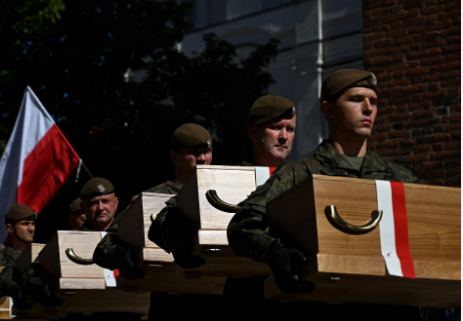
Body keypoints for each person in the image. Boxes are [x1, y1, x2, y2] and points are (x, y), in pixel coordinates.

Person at [227, 69, 422, 320]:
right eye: (356, 99)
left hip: (394, 306)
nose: (368, 108)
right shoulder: (300, 173)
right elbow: (242, 225)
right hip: (327, 306)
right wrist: (275, 251)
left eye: (373, 102)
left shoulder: (402, 178)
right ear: (329, 110)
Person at [22, 177, 120, 307]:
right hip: (82, 311)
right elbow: (31, 272)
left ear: (116, 203)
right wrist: (42, 285)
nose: (101, 207)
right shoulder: (68, 240)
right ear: (83, 207)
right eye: (94, 203)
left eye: (105, 201)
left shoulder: (129, 233)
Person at [0, 204, 37, 310]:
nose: (31, 229)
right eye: (26, 224)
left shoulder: (42, 255)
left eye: (33, 224)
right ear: (10, 228)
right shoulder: (2, 258)